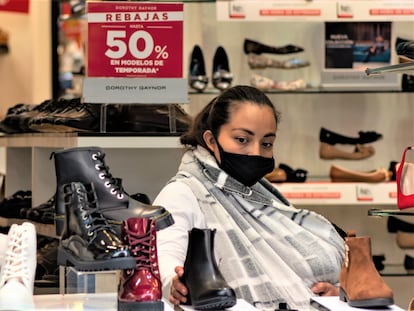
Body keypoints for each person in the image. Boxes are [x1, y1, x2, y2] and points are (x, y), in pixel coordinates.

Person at [154, 85, 345, 310]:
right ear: (211, 140)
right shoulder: (183, 192)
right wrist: (172, 283)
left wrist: (335, 294)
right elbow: (162, 255)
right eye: (242, 139)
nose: (255, 152)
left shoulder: (261, 195)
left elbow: (289, 265)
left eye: (266, 144)